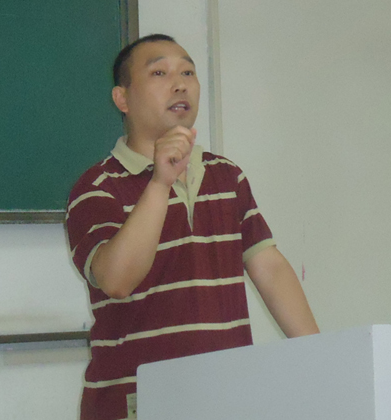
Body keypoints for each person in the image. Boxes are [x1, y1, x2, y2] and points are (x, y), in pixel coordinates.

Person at [66, 33, 319, 420]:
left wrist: (319, 358)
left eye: (187, 72)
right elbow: (116, 280)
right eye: (159, 73)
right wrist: (160, 183)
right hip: (136, 406)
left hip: (225, 400)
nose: (180, 84)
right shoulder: (97, 187)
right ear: (122, 98)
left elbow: (269, 268)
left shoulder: (226, 176)